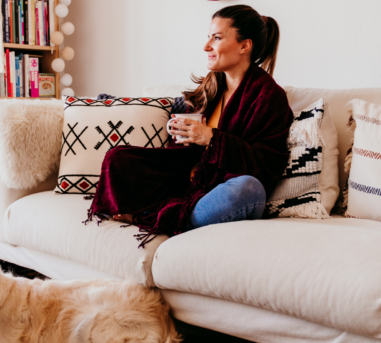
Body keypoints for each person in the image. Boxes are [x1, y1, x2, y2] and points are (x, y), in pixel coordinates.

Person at [86, 5, 294, 247]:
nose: (206, 47)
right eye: (208, 37)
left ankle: (163, 219)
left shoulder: (269, 96)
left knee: (248, 189)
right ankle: (164, 214)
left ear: (244, 45)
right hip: (187, 184)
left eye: (216, 38)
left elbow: (266, 165)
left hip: (224, 192)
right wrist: (183, 137)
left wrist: (212, 139)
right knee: (118, 158)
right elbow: (187, 156)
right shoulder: (210, 87)